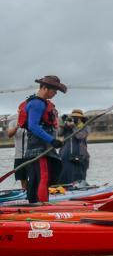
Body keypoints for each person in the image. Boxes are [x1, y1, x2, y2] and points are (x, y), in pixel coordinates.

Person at [18, 75, 67, 203]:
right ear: (44, 88)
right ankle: (42, 205)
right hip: (40, 149)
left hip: (37, 147)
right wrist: (52, 140)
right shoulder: (37, 103)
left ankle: (34, 203)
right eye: (54, 90)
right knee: (43, 177)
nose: (56, 93)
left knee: (36, 178)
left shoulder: (38, 102)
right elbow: (33, 126)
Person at [58, 109, 91, 185]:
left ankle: (80, 189)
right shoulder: (67, 127)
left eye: (77, 118)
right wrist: (63, 124)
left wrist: (74, 127)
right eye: (74, 117)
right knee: (64, 176)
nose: (75, 119)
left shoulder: (86, 127)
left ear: (82, 119)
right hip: (66, 155)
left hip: (80, 156)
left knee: (79, 177)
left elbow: (79, 136)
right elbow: (59, 134)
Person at [5, 116, 28, 191]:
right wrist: (17, 126)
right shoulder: (13, 122)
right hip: (19, 155)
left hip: (32, 155)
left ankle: (34, 192)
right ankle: (25, 193)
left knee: (35, 177)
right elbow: (9, 134)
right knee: (22, 178)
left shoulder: (32, 119)